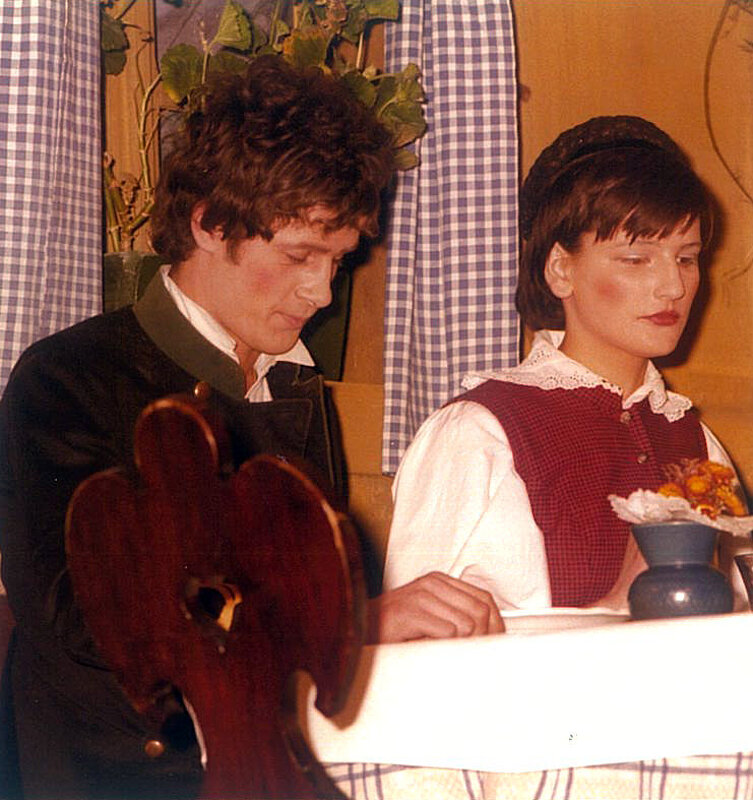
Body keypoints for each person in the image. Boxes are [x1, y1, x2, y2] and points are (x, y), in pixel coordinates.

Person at [0, 56, 499, 799]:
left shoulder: (291, 383)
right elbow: (87, 621)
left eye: (337, 261)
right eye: (299, 256)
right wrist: (349, 622)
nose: (321, 292)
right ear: (208, 223)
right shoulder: (67, 377)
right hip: (117, 773)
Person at [384, 115, 743, 612]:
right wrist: (618, 606)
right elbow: (431, 646)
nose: (673, 287)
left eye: (686, 258)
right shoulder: (480, 434)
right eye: (636, 259)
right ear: (560, 269)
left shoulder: (695, 441)